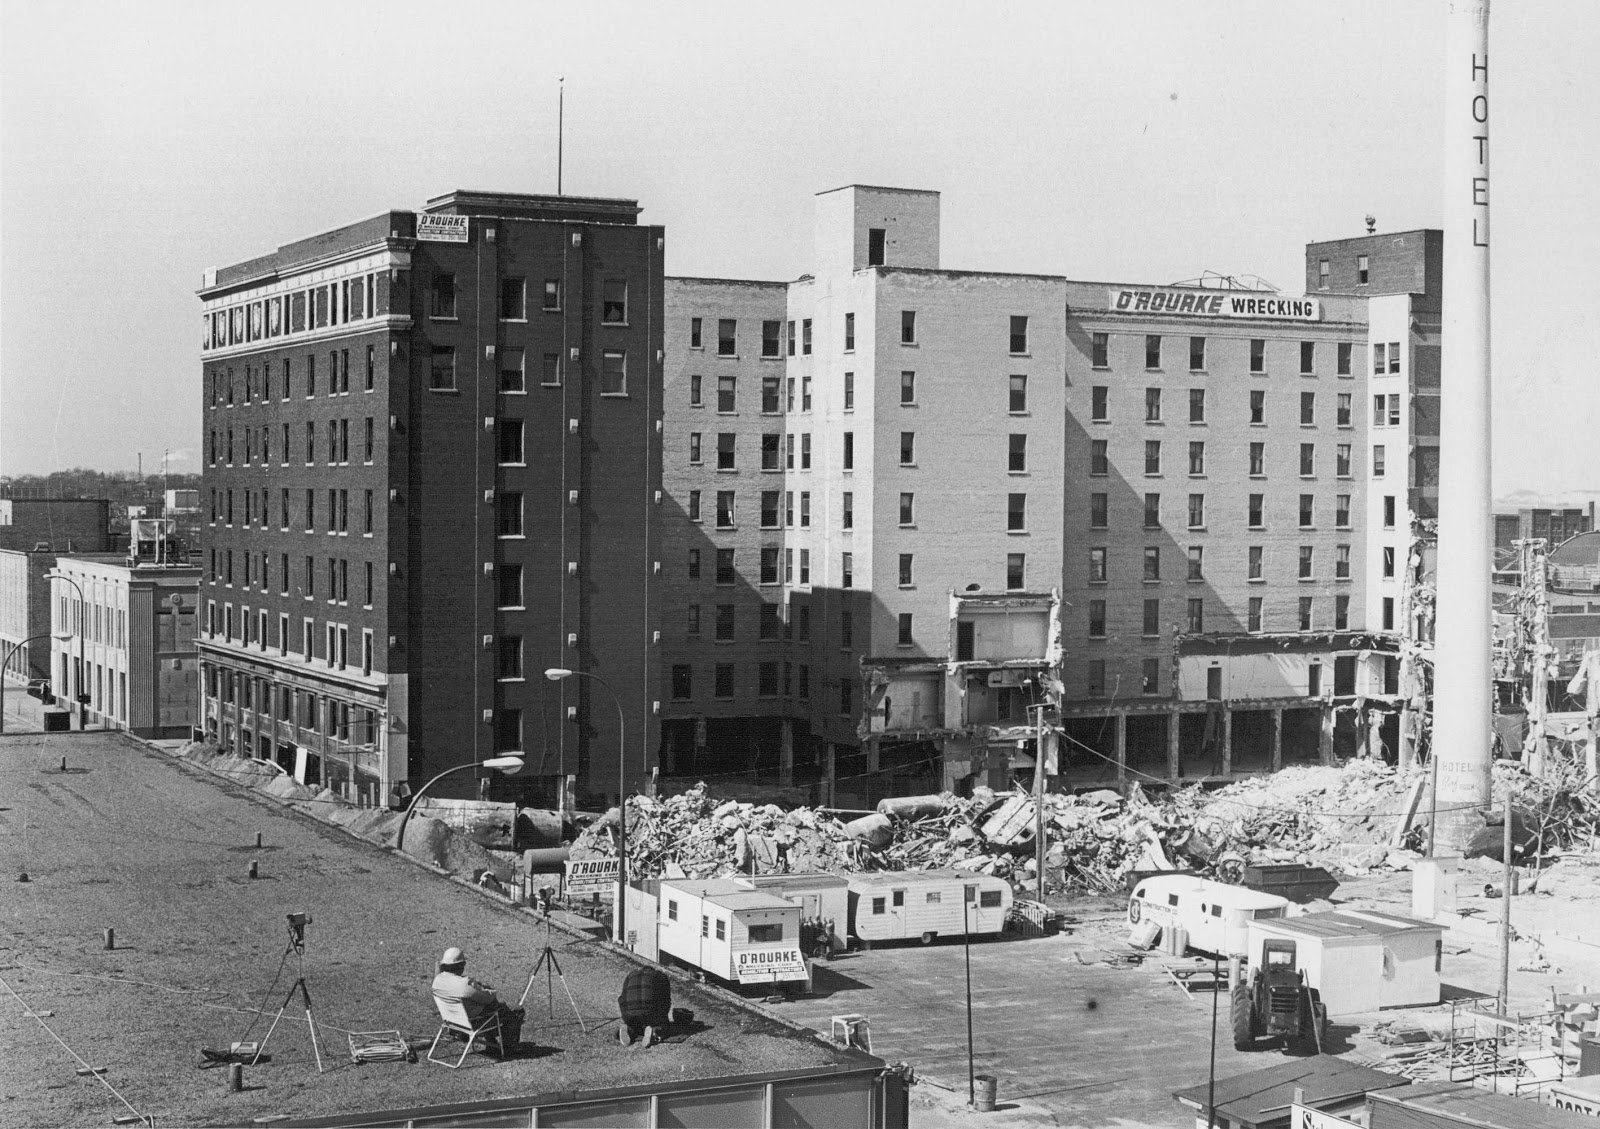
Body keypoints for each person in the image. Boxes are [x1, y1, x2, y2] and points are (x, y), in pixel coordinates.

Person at [432, 947, 523, 1055]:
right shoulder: (465, 985)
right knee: (516, 1010)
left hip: (452, 1023)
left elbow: (442, 976)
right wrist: (487, 989)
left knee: (481, 1008)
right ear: (461, 965)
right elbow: (489, 998)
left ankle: (491, 1044)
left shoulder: (437, 982)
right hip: (472, 1024)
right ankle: (508, 1048)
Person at [617, 965, 671, 1048]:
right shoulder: (660, 976)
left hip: (629, 1015)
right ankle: (654, 1030)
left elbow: (621, 999)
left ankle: (629, 1028)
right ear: (653, 970)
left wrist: (625, 1014)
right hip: (650, 1014)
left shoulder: (630, 975)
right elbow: (666, 1000)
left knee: (635, 1023)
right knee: (664, 1027)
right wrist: (664, 1018)